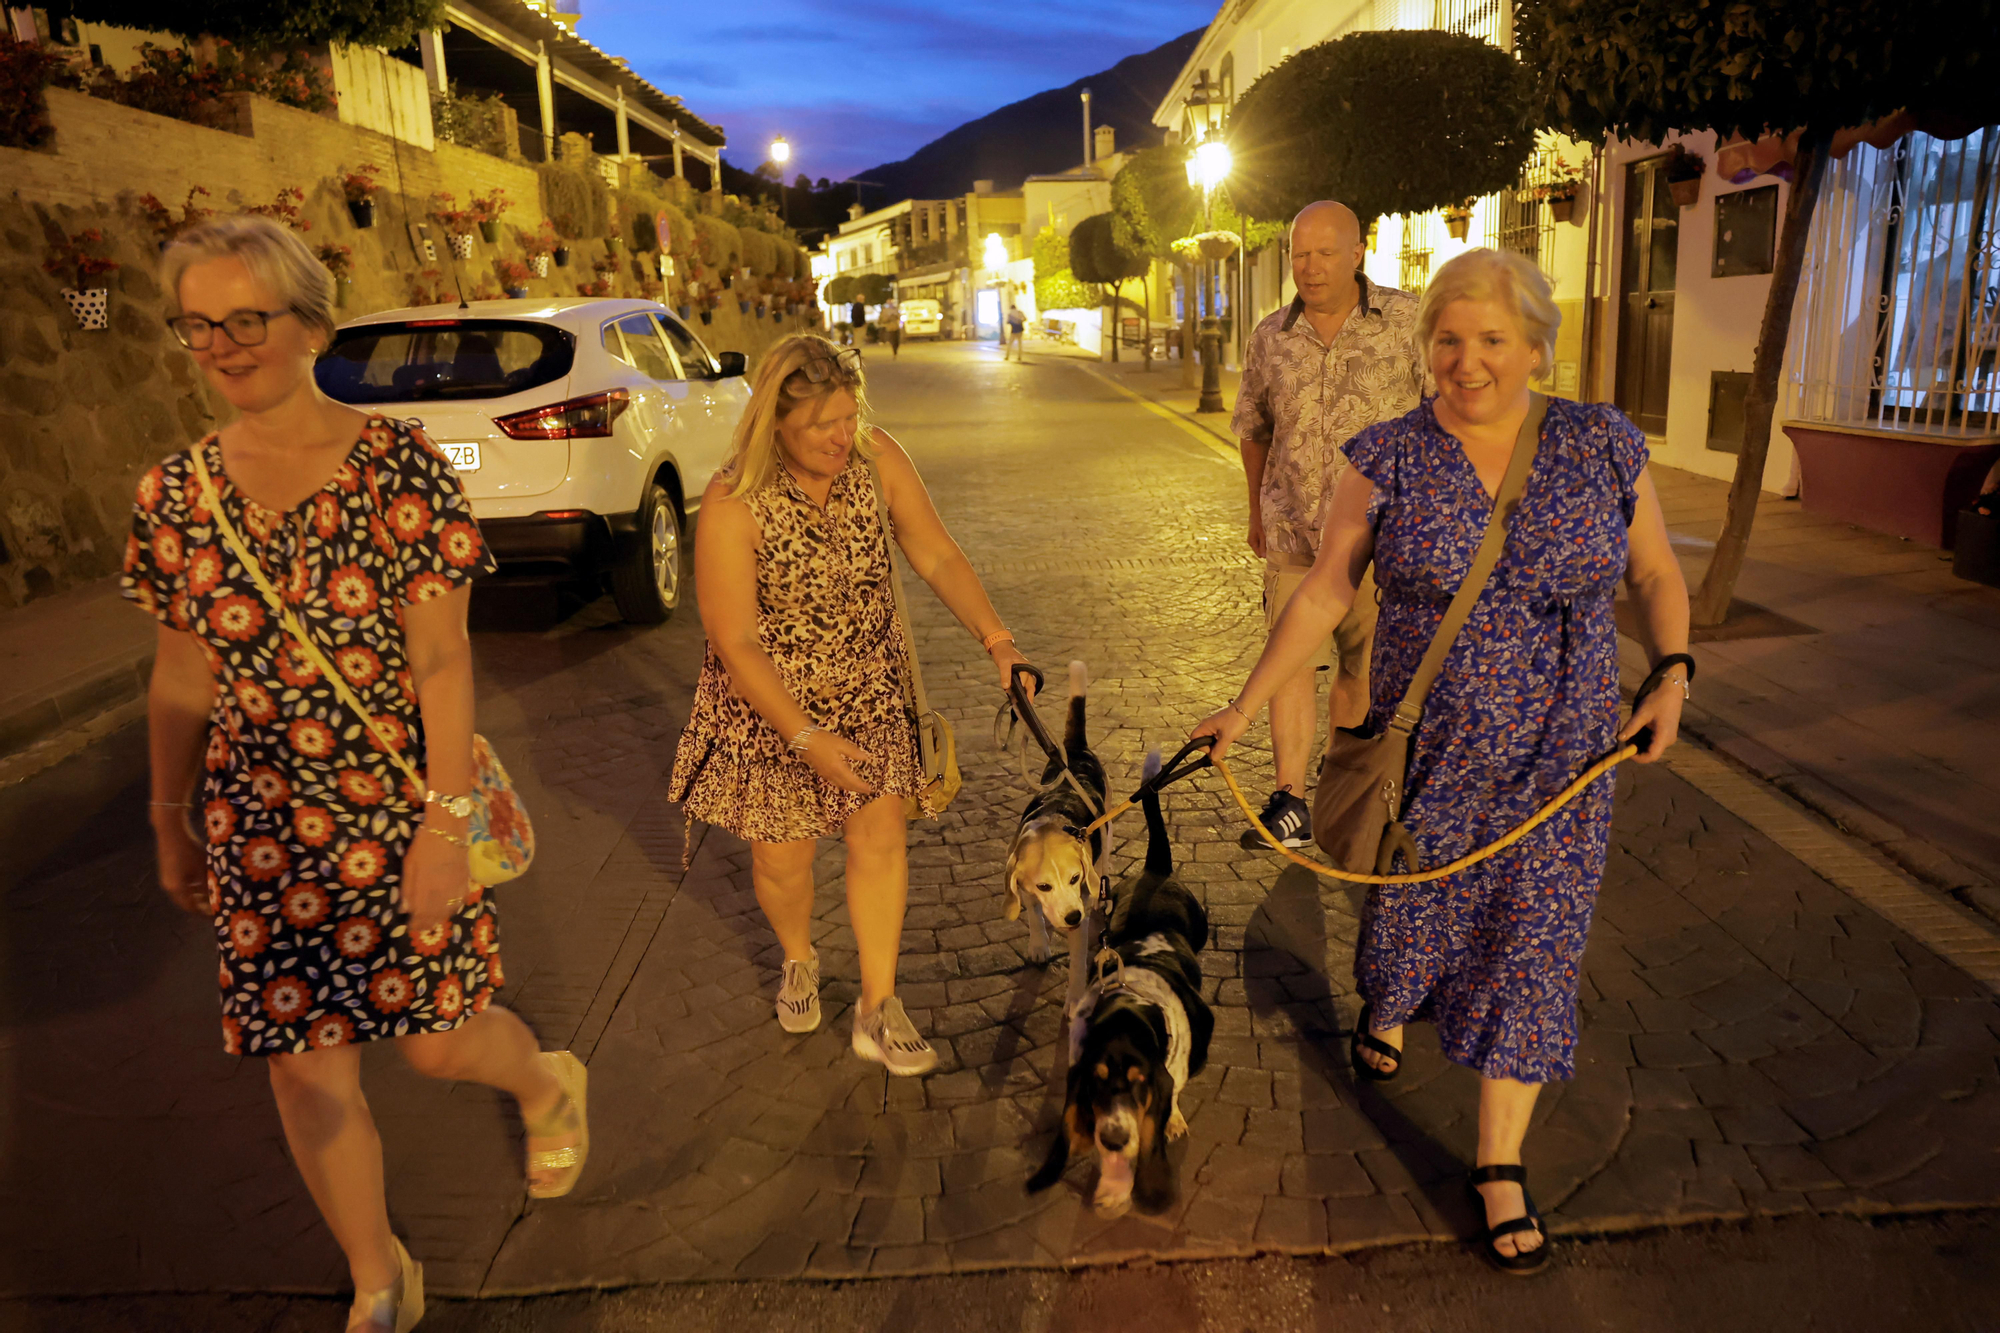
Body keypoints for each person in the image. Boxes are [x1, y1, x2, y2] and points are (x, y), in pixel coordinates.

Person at [124, 216, 586, 1332]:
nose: (224, 345)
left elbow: (441, 657)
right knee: (306, 1070)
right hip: (260, 827)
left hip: (397, 809)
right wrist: (170, 814)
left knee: (435, 1041)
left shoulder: (398, 469)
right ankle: (378, 1272)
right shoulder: (174, 497)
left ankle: (543, 1081)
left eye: (248, 319)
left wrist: (444, 821)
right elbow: (182, 675)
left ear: (310, 324)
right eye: (199, 326)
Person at [1194, 248, 1691, 1275]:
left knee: (1534, 943)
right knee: (1409, 914)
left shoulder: (1600, 444)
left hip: (1565, 754)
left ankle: (1497, 1163)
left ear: (1534, 344)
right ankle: (1387, 999)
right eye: (1446, 340)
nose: (1466, 362)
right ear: (1424, 347)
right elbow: (1327, 589)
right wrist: (1244, 705)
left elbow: (1651, 570)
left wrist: (1672, 672)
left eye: (1490, 340)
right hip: (1435, 747)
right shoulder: (1383, 456)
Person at [669, 334, 1032, 1076]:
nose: (842, 437)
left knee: (879, 839)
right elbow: (734, 640)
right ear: (776, 424)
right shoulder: (733, 501)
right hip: (771, 706)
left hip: (870, 686)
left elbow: (933, 551)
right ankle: (799, 957)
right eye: (822, 425)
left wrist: (999, 640)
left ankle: (878, 1003)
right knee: (782, 861)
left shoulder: (876, 458)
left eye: (850, 416)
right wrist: (805, 735)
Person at [1231, 200, 1425, 849]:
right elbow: (1253, 426)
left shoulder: (1407, 322)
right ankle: (1289, 798)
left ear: (1358, 252)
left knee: (1360, 671)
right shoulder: (1269, 336)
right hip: (1293, 534)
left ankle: (1339, 780)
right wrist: (1257, 509)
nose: (1309, 268)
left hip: (1381, 542)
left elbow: (1443, 417)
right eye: (1299, 254)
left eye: (1324, 253)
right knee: (1288, 665)